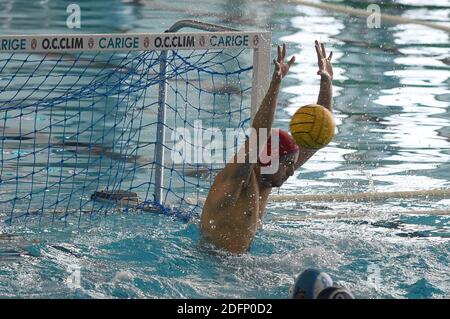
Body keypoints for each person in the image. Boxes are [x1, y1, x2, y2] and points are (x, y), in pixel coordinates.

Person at [200, 40, 334, 253]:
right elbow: (259, 135)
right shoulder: (235, 182)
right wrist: (275, 85)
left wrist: (327, 81)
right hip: (211, 266)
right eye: (288, 164)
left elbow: (316, 140)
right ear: (267, 159)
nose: (292, 170)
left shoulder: (267, 180)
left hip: (239, 266)